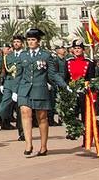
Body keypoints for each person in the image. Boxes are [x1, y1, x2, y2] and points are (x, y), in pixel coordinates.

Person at [14, 27, 65, 157]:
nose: (30, 42)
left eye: (33, 40)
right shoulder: (23, 55)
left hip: (40, 88)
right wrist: (14, 90)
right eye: (29, 40)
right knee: (25, 114)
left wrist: (64, 85)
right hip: (24, 89)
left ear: (38, 41)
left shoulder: (46, 55)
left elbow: (52, 75)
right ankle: (28, 144)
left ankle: (43, 146)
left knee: (41, 118)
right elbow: (19, 74)